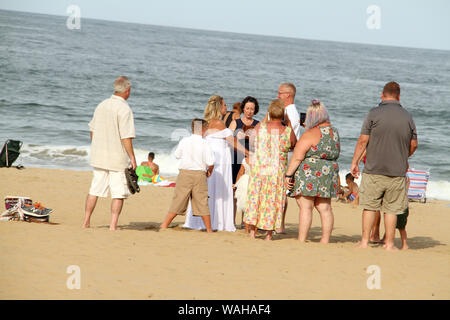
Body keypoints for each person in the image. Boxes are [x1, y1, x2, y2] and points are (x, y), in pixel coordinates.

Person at [350, 81, 418, 251]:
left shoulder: (373, 113)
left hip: (374, 169)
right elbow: (414, 144)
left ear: (382, 95)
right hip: (397, 171)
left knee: (369, 207)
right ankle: (389, 244)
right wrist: (404, 156)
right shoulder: (407, 117)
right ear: (399, 96)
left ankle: (365, 242)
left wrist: (355, 162)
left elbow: (363, 141)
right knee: (392, 209)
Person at [183, 95, 248, 232]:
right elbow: (232, 141)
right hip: (219, 162)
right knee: (218, 189)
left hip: (211, 160)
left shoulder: (205, 123)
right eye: (224, 105)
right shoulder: (218, 123)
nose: (226, 107)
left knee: (209, 189)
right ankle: (217, 221)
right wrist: (247, 152)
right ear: (219, 107)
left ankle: (202, 220)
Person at [83, 76, 137, 231]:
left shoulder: (102, 105)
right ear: (127, 90)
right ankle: (113, 225)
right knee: (118, 193)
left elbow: (92, 131)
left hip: (99, 155)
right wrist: (132, 157)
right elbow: (126, 137)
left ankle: (86, 221)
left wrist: (96, 146)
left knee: (94, 190)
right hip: (117, 159)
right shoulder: (124, 109)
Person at [286, 100, 340, 243]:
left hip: (310, 173)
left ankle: (302, 239)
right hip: (328, 173)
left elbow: (297, 157)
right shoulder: (334, 133)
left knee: (306, 207)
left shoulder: (310, 133)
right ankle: (325, 239)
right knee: (325, 208)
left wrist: (288, 175)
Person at [244, 99, 296, 240]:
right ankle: (268, 234)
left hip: (260, 168)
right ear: (283, 114)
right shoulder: (287, 131)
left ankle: (253, 232)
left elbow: (252, 141)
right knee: (272, 200)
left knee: (257, 198)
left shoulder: (260, 127)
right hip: (276, 171)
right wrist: (289, 123)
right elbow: (293, 144)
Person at [160, 119, 215, 232]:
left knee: (178, 200)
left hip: (185, 173)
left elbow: (177, 155)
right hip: (199, 174)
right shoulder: (205, 143)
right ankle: (209, 229)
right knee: (202, 201)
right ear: (204, 130)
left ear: (192, 128)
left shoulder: (185, 141)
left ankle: (164, 225)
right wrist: (210, 171)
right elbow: (211, 162)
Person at [276, 83, 301, 234]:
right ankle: (280, 224)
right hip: (289, 152)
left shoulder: (288, 112)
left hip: (286, 153)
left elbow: (288, 134)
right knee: (283, 189)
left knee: (281, 189)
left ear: (288, 95)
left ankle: (280, 225)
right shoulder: (292, 111)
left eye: (280, 93)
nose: (278, 95)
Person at [229, 96, 260, 184]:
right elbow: (228, 140)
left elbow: (261, 142)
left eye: (252, 109)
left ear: (255, 110)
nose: (249, 111)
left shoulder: (258, 124)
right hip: (235, 156)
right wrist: (237, 136)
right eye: (247, 108)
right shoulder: (235, 122)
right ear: (243, 109)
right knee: (233, 181)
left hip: (249, 158)